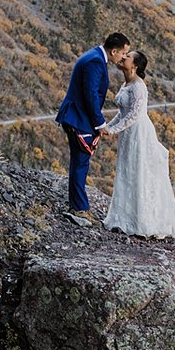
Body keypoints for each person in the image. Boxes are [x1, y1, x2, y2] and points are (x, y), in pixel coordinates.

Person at [100, 50, 175, 238]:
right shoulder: (126, 83)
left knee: (138, 172)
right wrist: (107, 126)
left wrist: (112, 130)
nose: (123, 57)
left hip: (139, 133)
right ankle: (123, 217)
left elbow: (134, 115)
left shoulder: (139, 87)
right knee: (127, 170)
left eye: (127, 56)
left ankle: (141, 220)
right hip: (128, 133)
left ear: (135, 66)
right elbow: (122, 113)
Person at [56, 31, 131, 225]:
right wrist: (100, 124)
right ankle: (79, 208)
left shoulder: (94, 56)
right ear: (114, 51)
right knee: (81, 162)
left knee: (79, 162)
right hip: (78, 119)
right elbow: (90, 96)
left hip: (77, 116)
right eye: (123, 53)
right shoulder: (95, 62)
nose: (124, 58)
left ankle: (77, 204)